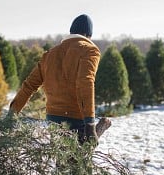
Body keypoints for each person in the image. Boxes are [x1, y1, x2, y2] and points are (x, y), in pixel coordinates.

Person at [9, 14, 101, 144]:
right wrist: (90, 123)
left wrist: (12, 112)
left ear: (71, 32)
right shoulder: (89, 50)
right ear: (88, 34)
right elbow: (85, 82)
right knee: (75, 162)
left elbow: (29, 85)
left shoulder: (50, 54)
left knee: (62, 161)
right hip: (76, 118)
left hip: (53, 117)